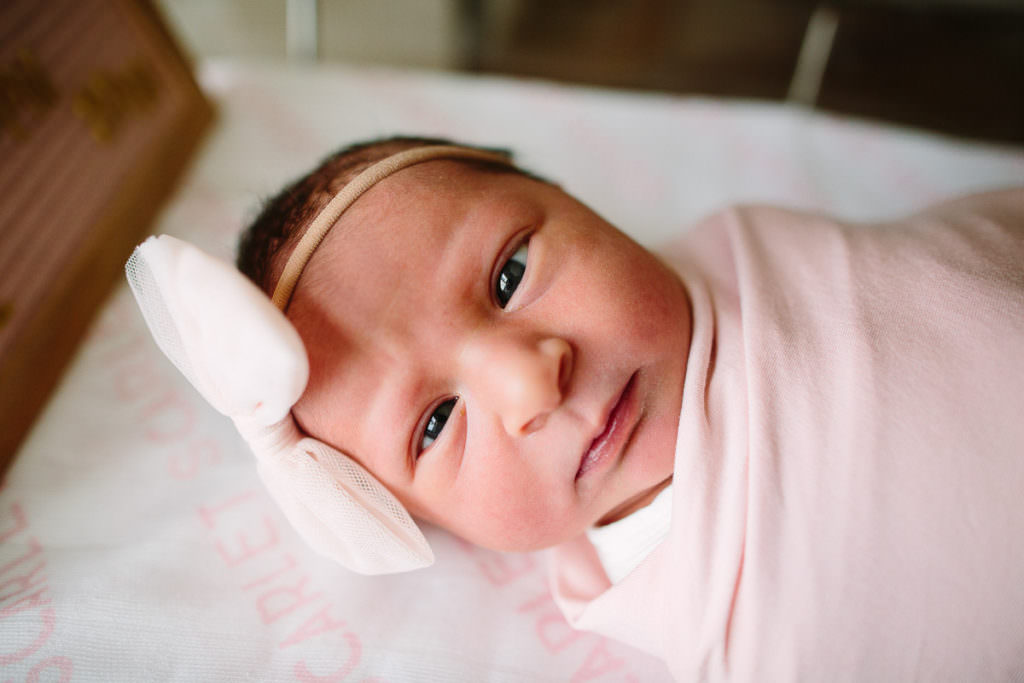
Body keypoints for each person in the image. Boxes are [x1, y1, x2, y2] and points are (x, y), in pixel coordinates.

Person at [135, 136, 1024, 680]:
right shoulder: (711, 607)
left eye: (510, 274)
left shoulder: (746, 254)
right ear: (422, 522)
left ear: (578, 203)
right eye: (436, 424)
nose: (533, 384)